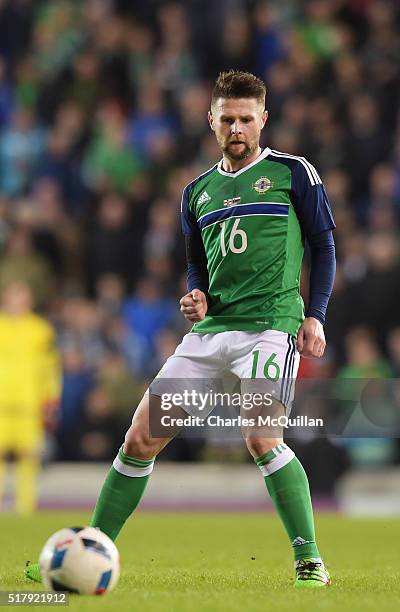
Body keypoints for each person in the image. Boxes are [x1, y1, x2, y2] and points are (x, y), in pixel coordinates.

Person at [26, 70, 335, 587]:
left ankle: (309, 559)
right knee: (141, 438)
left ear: (263, 119)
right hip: (210, 333)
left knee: (261, 436)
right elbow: (198, 266)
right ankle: (88, 550)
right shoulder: (197, 192)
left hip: (268, 327)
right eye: (227, 118)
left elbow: (324, 247)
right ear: (210, 120)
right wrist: (197, 296)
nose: (236, 127)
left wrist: (316, 314)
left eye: (245, 118)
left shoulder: (293, 173)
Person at [0, 281, 60, 514]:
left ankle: (25, 506)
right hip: (1, 401)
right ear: (6, 298)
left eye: (22, 296)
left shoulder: (41, 330)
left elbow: (50, 368)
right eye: (14, 296)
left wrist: (51, 398)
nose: (18, 301)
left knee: (28, 456)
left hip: (29, 401)